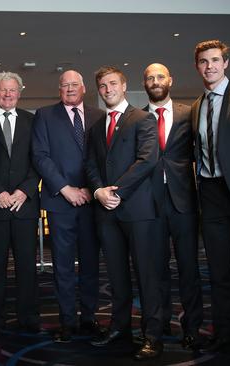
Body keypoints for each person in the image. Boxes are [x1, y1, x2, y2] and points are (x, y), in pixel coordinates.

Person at [85, 66, 162, 360]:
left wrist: (115, 192)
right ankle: (120, 328)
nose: (108, 89)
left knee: (146, 274)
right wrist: (98, 192)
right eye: (102, 86)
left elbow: (147, 161)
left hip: (137, 210)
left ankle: (152, 336)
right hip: (106, 212)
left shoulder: (143, 119)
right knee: (116, 276)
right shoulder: (95, 127)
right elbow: (90, 165)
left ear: (124, 85)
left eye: (113, 84)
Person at [32, 70, 103, 342]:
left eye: (74, 85)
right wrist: (66, 189)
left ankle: (89, 318)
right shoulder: (45, 115)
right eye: (65, 85)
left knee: (91, 264)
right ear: (59, 89)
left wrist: (91, 189)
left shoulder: (98, 115)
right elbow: (40, 157)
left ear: (84, 88)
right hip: (60, 201)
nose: (70, 89)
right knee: (62, 265)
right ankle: (67, 322)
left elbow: (104, 157)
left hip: (92, 201)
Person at [141, 63, 203, 349]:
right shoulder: (137, 118)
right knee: (156, 268)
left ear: (170, 80)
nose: (155, 81)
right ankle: (161, 320)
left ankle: (192, 327)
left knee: (188, 268)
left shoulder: (188, 113)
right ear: (145, 83)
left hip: (183, 201)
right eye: (150, 78)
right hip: (149, 204)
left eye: (160, 76)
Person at [190, 40, 230, 353]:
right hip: (211, 194)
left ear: (226, 63)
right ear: (197, 66)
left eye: (214, 60)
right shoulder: (198, 104)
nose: (208, 66)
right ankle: (224, 334)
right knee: (219, 271)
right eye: (202, 62)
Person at [0, 71, 40, 334]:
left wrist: (25, 191)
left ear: (19, 92)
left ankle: (28, 318)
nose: (7, 95)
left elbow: (40, 159)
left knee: (27, 266)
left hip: (24, 205)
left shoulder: (33, 120)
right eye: (3, 90)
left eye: (12, 90)